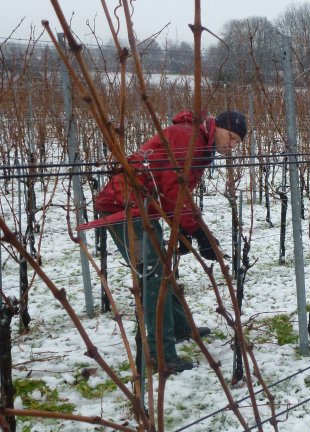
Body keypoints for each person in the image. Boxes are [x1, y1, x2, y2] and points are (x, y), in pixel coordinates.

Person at [94, 110, 247, 374]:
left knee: (161, 270)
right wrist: (198, 231)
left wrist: (185, 229)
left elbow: (177, 190)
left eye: (237, 142)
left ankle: (178, 328)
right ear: (218, 127)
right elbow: (173, 189)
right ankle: (159, 355)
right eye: (231, 137)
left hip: (145, 206)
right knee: (151, 276)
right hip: (124, 207)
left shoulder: (198, 142)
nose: (232, 145)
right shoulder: (188, 139)